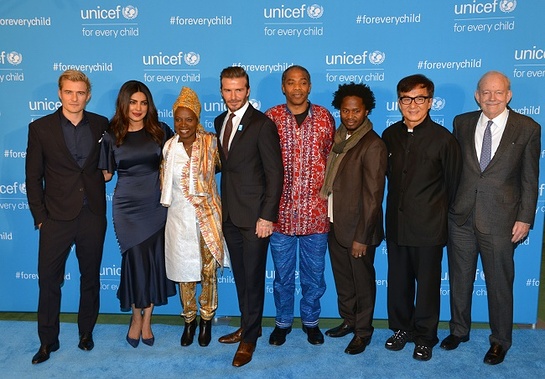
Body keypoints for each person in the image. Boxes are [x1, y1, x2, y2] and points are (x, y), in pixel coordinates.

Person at [440, 71, 540, 365]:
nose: (492, 98)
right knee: (459, 279)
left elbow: (530, 179)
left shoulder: (527, 128)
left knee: (499, 284)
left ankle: (500, 341)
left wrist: (525, 218)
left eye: (498, 92)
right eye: (486, 92)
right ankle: (458, 331)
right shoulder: (462, 122)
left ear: (508, 95)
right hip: (460, 217)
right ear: (477, 95)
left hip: (502, 220)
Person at [25, 70, 108, 364]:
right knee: (48, 281)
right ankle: (48, 341)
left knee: (90, 278)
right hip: (55, 218)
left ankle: (86, 333)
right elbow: (33, 178)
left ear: (88, 95)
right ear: (60, 94)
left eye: (80, 93)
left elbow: (105, 168)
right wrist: (40, 217)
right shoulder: (41, 129)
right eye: (69, 92)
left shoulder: (101, 124)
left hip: (92, 214)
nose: (75, 98)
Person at [381, 74, 461, 361]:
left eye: (419, 98)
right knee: (398, 281)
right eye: (406, 98)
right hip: (397, 226)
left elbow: (453, 187)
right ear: (399, 102)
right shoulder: (389, 136)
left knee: (427, 286)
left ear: (430, 102)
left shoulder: (444, 140)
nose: (412, 105)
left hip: (428, 228)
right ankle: (402, 329)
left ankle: (425, 336)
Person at [214, 66, 284, 367]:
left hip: (256, 218)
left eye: (238, 90)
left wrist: (267, 216)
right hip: (230, 214)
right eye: (228, 90)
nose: (233, 96)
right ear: (221, 91)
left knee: (254, 279)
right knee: (242, 277)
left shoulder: (262, 124)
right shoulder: (220, 121)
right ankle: (247, 325)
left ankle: (250, 338)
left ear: (248, 90)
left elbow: (275, 174)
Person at [99, 80, 176, 348]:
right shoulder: (111, 135)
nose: (138, 108)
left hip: (157, 206)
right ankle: (135, 317)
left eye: (143, 103)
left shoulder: (161, 131)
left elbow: (181, 160)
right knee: (134, 263)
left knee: (154, 263)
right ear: (124, 103)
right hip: (126, 209)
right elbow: (106, 175)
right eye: (133, 102)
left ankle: (147, 320)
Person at [264, 65, 335, 347]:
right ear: (283, 87)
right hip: (279, 215)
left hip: (316, 215)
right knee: (282, 276)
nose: (297, 88)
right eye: (291, 82)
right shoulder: (271, 117)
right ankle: (282, 322)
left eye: (302, 82)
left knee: (314, 276)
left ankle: (310, 322)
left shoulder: (325, 118)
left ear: (309, 86)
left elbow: (332, 160)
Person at [320, 82, 387, 355]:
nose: (350, 116)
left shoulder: (373, 145)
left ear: (366, 111)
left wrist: (362, 237)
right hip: (335, 224)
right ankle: (348, 320)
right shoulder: (338, 141)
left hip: (359, 231)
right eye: (345, 111)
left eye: (355, 111)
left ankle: (363, 331)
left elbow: (373, 197)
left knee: (362, 283)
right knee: (343, 280)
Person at [160, 87, 229, 348]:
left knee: (208, 271)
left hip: (207, 218)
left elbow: (224, 169)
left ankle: (207, 319)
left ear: (197, 119)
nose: (183, 124)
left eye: (189, 119)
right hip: (178, 219)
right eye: (179, 119)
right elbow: (163, 184)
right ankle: (189, 319)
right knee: (184, 272)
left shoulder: (211, 144)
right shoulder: (168, 148)